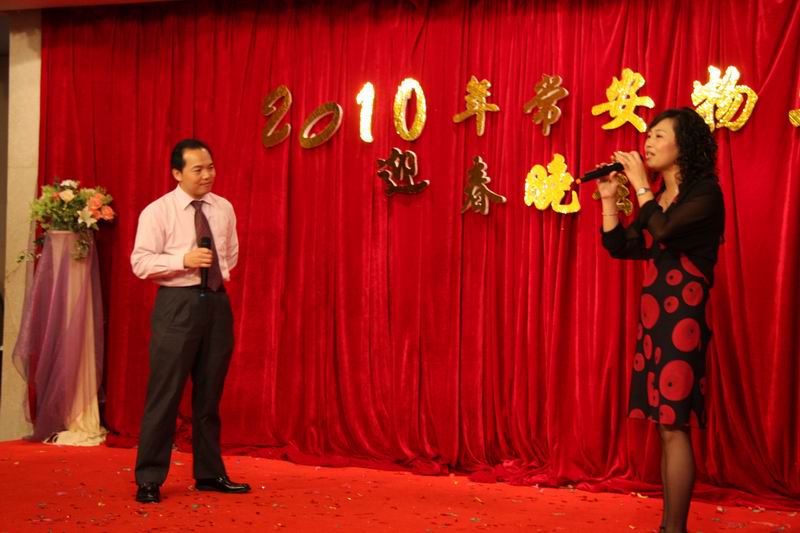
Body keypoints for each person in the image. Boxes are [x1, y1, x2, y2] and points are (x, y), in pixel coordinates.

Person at [597, 108, 724, 533]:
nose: (647, 143)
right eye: (647, 135)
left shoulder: (705, 194)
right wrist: (609, 200)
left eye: (658, 136)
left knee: (674, 422)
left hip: (683, 317)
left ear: (683, 145)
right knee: (663, 424)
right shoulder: (658, 198)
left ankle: (674, 528)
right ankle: (668, 527)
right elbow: (622, 246)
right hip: (655, 318)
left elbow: (665, 231)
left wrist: (639, 187)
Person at [130, 139, 250, 503]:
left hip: (216, 303)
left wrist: (213, 274)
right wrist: (182, 260)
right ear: (177, 173)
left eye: (210, 167)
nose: (207, 175)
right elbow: (140, 262)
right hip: (177, 304)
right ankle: (149, 478)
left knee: (209, 395)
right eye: (198, 169)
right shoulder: (158, 211)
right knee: (165, 394)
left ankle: (210, 473)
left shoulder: (223, 207)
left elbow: (230, 254)